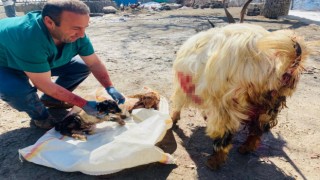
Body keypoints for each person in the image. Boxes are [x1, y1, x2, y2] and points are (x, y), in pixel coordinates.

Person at [0, 0, 125, 129]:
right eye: (76, 28)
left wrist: (109, 86)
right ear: (49, 22)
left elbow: (94, 63)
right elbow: (44, 84)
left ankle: (51, 100)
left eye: (84, 28)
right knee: (16, 90)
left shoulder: (78, 36)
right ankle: (40, 117)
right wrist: (84, 104)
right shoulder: (28, 38)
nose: (82, 34)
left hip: (35, 56)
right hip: (5, 62)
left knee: (82, 66)